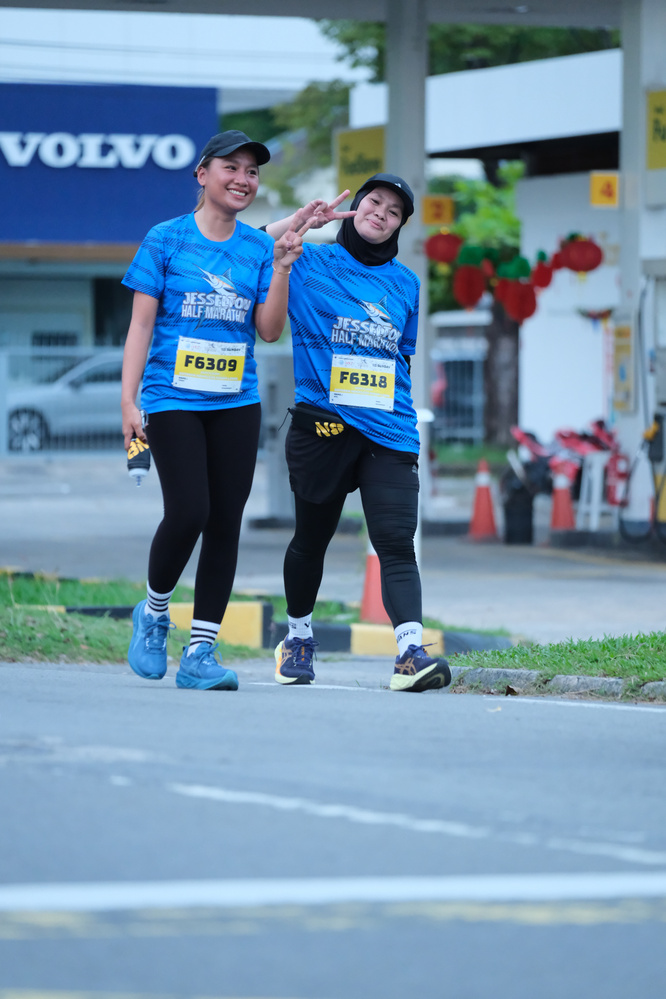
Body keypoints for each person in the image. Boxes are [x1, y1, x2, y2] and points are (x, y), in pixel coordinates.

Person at [121, 130, 309, 691]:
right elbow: (140, 325)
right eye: (232, 167)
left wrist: (283, 267)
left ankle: (201, 650)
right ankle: (154, 613)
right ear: (202, 174)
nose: (243, 179)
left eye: (252, 171)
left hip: (237, 402)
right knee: (189, 512)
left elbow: (269, 331)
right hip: (171, 397)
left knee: (226, 521)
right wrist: (128, 400)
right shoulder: (165, 239)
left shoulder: (258, 247)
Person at [264, 174, 452, 692]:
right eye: (375, 202)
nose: (381, 214)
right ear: (358, 205)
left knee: (396, 542)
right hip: (322, 426)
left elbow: (401, 357)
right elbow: (246, 243)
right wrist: (301, 221)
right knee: (312, 539)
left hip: (389, 431)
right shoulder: (309, 260)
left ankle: (410, 653)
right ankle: (297, 638)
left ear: (399, 226)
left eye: (394, 212)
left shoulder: (407, 283)